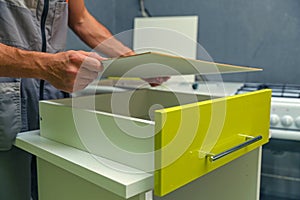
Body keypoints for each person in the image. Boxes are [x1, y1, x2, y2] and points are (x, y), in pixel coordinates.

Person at [0, 1, 167, 199]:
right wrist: (45, 66)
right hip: (7, 103)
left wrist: (132, 60)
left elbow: (81, 20)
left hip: (52, 102)